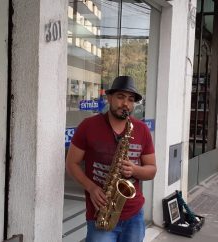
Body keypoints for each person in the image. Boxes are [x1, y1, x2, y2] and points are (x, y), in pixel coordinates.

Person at [66, 75, 157, 242]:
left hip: (134, 216)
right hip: (100, 212)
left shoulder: (141, 129)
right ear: (109, 98)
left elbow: (152, 170)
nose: (125, 104)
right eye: (120, 97)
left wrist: (135, 170)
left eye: (130, 100)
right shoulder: (88, 126)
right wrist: (91, 188)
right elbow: (71, 163)